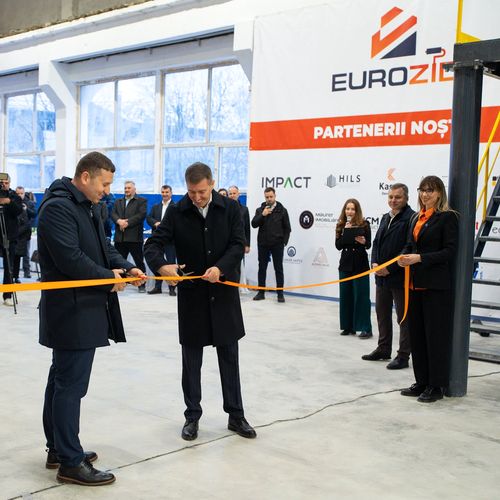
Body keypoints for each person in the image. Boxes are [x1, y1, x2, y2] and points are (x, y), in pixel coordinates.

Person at [37, 151, 145, 486]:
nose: (107, 191)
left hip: (84, 308)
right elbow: (71, 259)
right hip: (71, 312)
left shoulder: (87, 206)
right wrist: (108, 277)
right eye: (104, 184)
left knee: (62, 380)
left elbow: (103, 248)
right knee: (70, 386)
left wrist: (126, 267)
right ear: (85, 177)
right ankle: (70, 463)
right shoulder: (57, 208)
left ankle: (59, 449)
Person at [144, 162, 256, 441]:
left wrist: (221, 267)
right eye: (192, 192)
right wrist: (162, 266)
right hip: (192, 298)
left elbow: (237, 244)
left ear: (212, 183)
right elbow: (152, 245)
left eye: (202, 192)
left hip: (223, 297)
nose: (196, 197)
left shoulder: (231, 209)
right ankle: (192, 416)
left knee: (229, 359)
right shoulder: (177, 211)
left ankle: (236, 415)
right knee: (191, 362)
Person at [398, 176, 458, 403]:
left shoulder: (448, 218)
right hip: (414, 285)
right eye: (422, 190)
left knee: (435, 337)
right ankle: (421, 381)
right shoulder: (416, 217)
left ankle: (436, 385)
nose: (425, 194)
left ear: (440, 193)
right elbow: (409, 245)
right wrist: (403, 257)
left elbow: (449, 252)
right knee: (418, 336)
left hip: (435, 287)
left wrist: (420, 258)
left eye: (430, 190)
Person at [362, 184, 415, 369]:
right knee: (382, 314)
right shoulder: (386, 217)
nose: (393, 200)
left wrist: (390, 268)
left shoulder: (411, 218)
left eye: (397, 197)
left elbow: (408, 247)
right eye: (391, 197)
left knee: (403, 318)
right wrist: (375, 263)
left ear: (406, 198)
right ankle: (383, 349)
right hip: (381, 277)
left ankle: (403, 356)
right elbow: (376, 243)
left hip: (400, 277)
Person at [335, 198, 372, 338]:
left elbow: (368, 244)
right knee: (345, 295)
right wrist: (345, 232)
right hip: (345, 264)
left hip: (360, 264)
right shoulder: (340, 225)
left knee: (361, 296)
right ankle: (348, 326)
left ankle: (365, 328)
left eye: (352, 209)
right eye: (347, 209)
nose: (349, 211)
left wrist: (363, 241)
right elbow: (338, 245)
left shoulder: (365, 224)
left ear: (357, 211)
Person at [251, 187, 291, 303]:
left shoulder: (282, 210)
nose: (269, 199)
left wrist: (284, 242)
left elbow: (287, 228)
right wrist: (262, 215)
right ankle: (261, 292)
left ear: (275, 196)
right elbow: (254, 224)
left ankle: (280, 293)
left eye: (271, 197)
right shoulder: (260, 210)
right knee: (262, 268)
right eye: (267, 197)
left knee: (278, 268)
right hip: (263, 243)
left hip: (277, 244)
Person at [111, 180, 147, 293]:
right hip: (120, 238)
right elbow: (113, 213)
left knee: (139, 262)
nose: (126, 190)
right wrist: (119, 221)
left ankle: (142, 285)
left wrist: (127, 223)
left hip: (134, 238)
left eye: (129, 188)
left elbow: (141, 215)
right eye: (125, 188)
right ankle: (120, 283)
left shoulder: (141, 201)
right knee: (118, 262)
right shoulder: (118, 201)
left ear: (134, 189)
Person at [146, 184, 177, 296]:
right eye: (163, 192)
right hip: (157, 240)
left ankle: (172, 288)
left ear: (171, 193)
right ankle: (157, 287)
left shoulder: (175, 207)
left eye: (167, 192)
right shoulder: (156, 206)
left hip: (170, 240)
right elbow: (149, 218)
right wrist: (155, 223)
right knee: (157, 262)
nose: (164, 194)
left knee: (171, 263)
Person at [0, 173, 22, 306]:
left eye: (6, 183)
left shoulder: (14, 196)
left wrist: (8, 202)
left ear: (10, 183)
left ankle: (7, 295)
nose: (3, 185)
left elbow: (19, 211)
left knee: (9, 266)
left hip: (10, 236)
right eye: (1, 183)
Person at [13, 186, 36, 283]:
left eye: (21, 193)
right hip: (14, 233)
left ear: (24, 193)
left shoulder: (29, 203)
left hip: (25, 234)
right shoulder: (13, 202)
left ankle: (27, 271)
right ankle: (14, 275)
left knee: (26, 253)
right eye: (17, 193)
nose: (19, 195)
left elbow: (34, 215)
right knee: (14, 255)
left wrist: (26, 209)